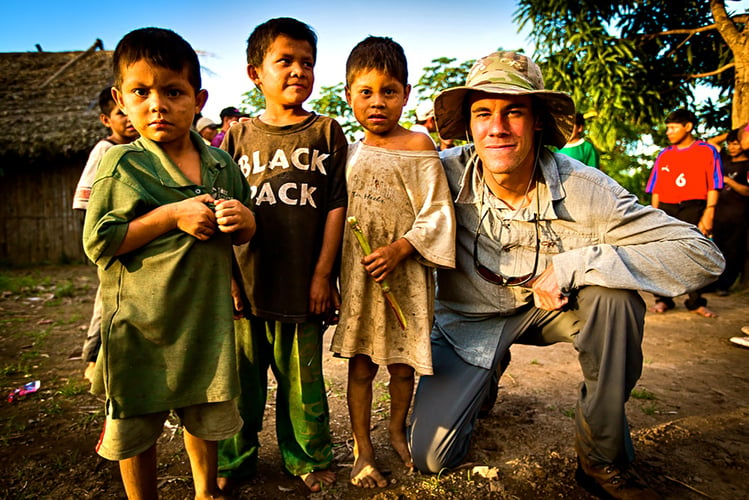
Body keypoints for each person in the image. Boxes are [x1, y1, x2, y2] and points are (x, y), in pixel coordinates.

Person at [406, 51, 724, 500]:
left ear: (537, 121)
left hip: (554, 311)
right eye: (483, 113)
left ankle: (600, 458)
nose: (497, 127)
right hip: (468, 323)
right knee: (432, 457)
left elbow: (702, 254)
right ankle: (486, 375)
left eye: (513, 112)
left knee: (615, 300)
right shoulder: (440, 174)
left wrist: (575, 264)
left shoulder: (587, 189)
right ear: (470, 125)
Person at [82, 27, 256, 500]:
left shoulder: (221, 164)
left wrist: (243, 221)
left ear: (197, 99)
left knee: (205, 413)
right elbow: (100, 243)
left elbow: (246, 230)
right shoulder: (121, 165)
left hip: (205, 322)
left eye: (173, 92)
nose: (157, 104)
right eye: (141, 92)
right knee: (137, 424)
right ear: (121, 100)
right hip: (141, 326)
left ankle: (205, 492)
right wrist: (169, 215)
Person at [216, 17, 347, 493]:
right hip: (245, 289)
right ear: (256, 73)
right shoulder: (235, 139)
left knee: (304, 386)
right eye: (285, 61)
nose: (298, 71)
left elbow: (336, 207)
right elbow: (216, 215)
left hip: (300, 288)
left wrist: (323, 275)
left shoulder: (327, 133)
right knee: (238, 387)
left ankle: (308, 457)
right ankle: (233, 460)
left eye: (307, 62)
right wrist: (228, 280)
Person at [329, 36, 456, 488]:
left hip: (405, 278)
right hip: (361, 280)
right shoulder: (348, 152)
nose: (377, 102)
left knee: (402, 366)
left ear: (406, 93)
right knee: (361, 365)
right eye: (365, 92)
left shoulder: (420, 146)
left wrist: (402, 249)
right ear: (348, 96)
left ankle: (397, 431)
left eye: (389, 91)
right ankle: (363, 448)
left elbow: (438, 211)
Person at [72, 86, 139, 383]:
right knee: (106, 301)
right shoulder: (105, 151)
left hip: (139, 239)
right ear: (105, 119)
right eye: (119, 114)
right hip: (115, 240)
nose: (127, 119)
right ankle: (92, 358)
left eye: (128, 113)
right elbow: (87, 202)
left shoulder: (141, 150)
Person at [645, 108, 724, 317]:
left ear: (688, 127)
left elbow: (714, 185)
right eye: (667, 128)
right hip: (666, 207)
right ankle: (663, 299)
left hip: (694, 205)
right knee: (662, 254)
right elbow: (656, 188)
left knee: (694, 253)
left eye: (673, 127)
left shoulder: (707, 151)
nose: (669, 132)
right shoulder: (664, 155)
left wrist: (709, 213)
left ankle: (696, 301)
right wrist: (654, 214)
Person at [707, 128, 749, 295]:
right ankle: (710, 284)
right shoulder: (722, 159)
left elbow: (747, 191)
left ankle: (723, 286)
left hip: (738, 215)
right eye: (730, 144)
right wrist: (736, 132)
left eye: (736, 144)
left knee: (733, 251)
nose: (732, 147)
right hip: (718, 213)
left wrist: (727, 181)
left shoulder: (747, 165)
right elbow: (712, 143)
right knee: (713, 249)